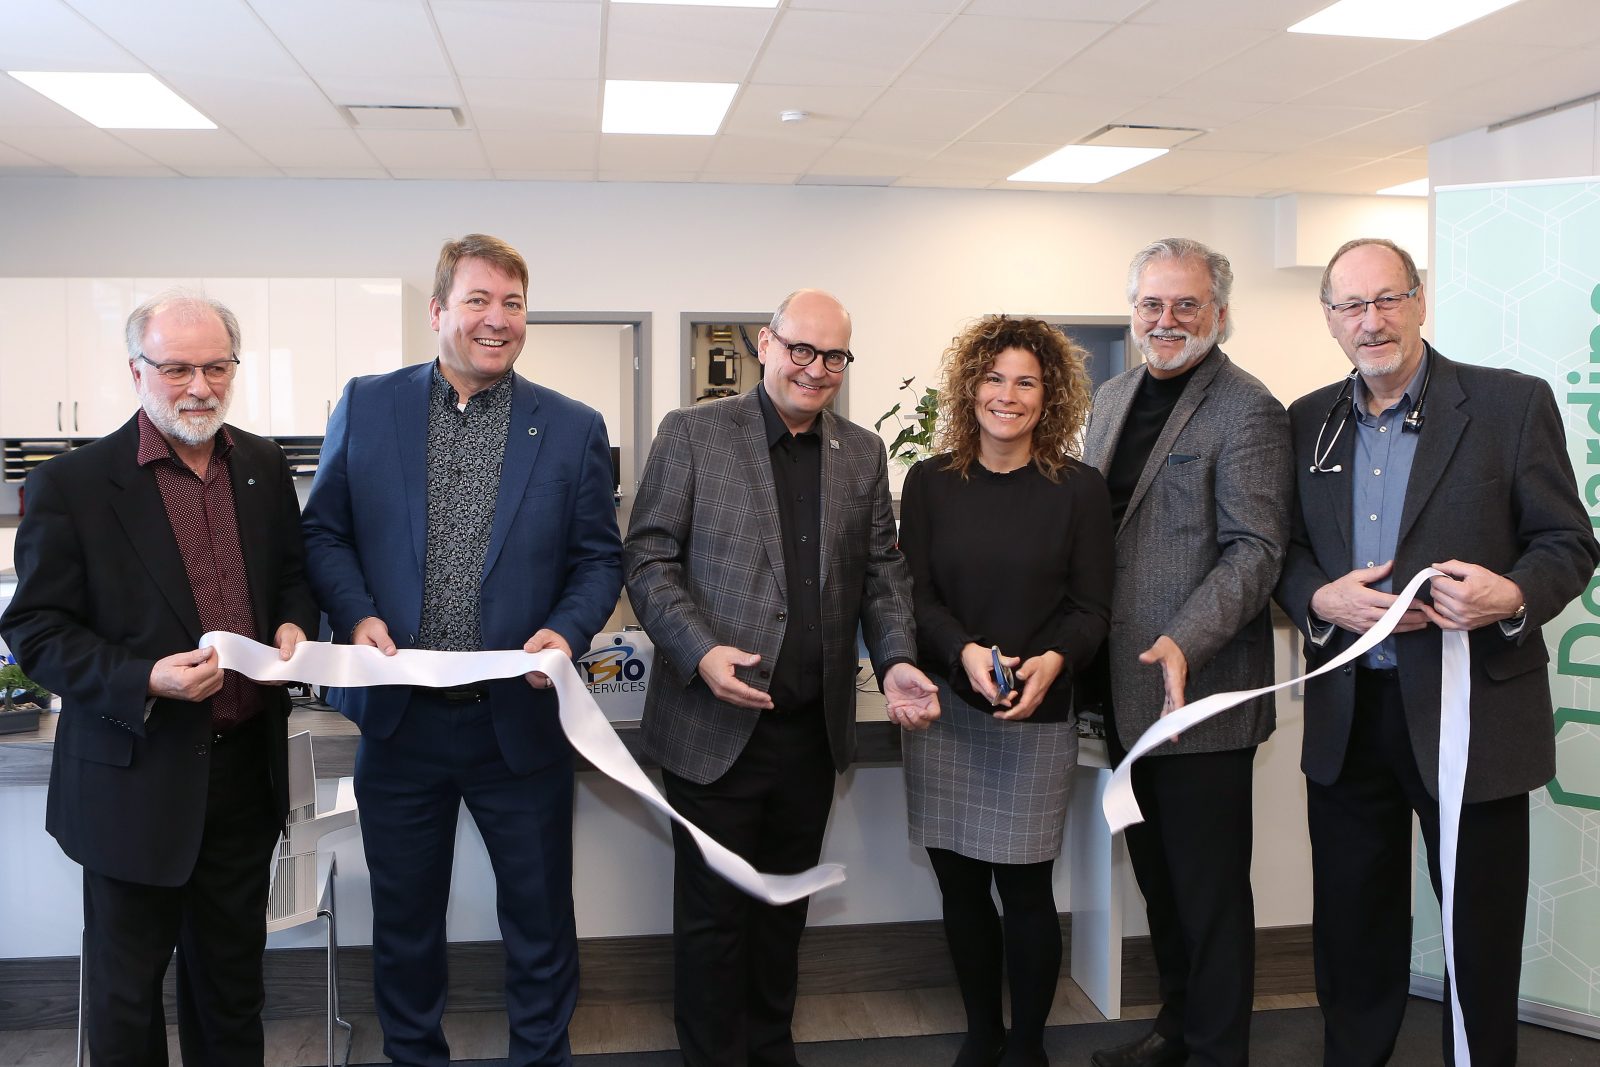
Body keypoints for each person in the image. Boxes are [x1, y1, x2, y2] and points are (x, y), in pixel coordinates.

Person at [1275, 237, 1599, 1066]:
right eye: (1351, 306)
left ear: (1420, 301)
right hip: (1350, 719)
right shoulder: (1307, 419)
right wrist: (1320, 597)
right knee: (1352, 930)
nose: (1371, 321)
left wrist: (1511, 593)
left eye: (1387, 299)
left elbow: (1568, 540)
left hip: (1473, 717)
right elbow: (1285, 553)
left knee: (1479, 934)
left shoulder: (1509, 405)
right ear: (1330, 320)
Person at [300, 234, 622, 1066]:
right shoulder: (368, 405)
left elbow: (597, 558)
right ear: (438, 310)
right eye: (478, 300)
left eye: (513, 303)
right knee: (405, 922)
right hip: (400, 725)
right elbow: (325, 533)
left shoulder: (574, 427)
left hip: (517, 724)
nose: (497, 319)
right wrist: (359, 612)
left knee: (541, 919)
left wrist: (569, 629)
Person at [623, 288, 940, 1067]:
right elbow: (649, 556)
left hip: (808, 732)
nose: (816, 368)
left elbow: (882, 574)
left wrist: (897, 658)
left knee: (784, 910)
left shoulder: (861, 452)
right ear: (765, 343)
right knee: (713, 916)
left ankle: (770, 1048)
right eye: (801, 348)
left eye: (834, 355)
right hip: (713, 729)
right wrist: (698, 649)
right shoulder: (695, 434)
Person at [0, 292, 317, 1065]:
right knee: (125, 997)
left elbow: (292, 579)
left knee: (231, 990)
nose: (199, 386)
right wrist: (144, 677)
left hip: (243, 776)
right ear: (136, 369)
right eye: (176, 368)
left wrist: (292, 624)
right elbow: (34, 629)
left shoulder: (264, 466)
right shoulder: (72, 485)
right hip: (131, 782)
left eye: (215, 366)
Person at [1081, 238, 1292, 1067]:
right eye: (1150, 305)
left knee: (1207, 896)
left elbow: (1256, 549)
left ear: (1220, 313)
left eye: (1185, 305)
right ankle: (1176, 1031)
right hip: (1121, 691)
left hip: (1200, 694)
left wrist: (1185, 637)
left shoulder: (1248, 408)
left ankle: (1215, 1051)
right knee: (1159, 884)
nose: (1165, 321)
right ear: (1132, 311)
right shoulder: (1111, 395)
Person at [897, 315, 1112, 1067]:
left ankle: (1026, 1044)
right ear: (970, 387)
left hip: (1037, 715)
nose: (1008, 395)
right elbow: (913, 596)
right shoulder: (928, 481)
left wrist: (1052, 660)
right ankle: (982, 1030)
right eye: (993, 378)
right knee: (960, 887)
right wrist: (960, 650)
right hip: (947, 712)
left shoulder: (1080, 490)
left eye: (1025, 380)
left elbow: (1092, 609)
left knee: (1025, 890)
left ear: (1048, 394)